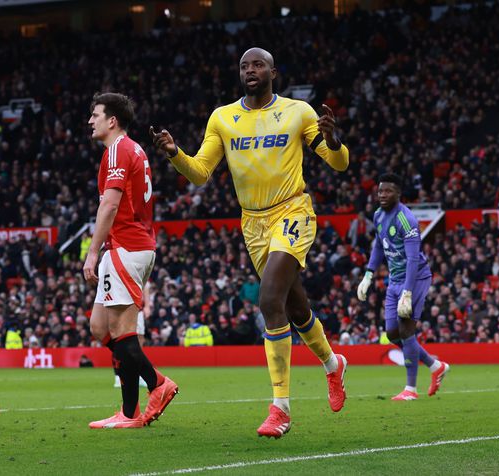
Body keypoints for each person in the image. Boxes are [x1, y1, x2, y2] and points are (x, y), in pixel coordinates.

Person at [151, 47, 348, 438]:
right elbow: (201, 173)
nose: (250, 70)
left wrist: (334, 141)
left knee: (269, 300)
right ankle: (332, 365)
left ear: (274, 71)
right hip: (253, 224)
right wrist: (176, 154)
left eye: (258, 64)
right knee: (295, 306)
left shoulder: (299, 112)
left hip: (292, 212)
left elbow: (338, 163)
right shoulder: (223, 118)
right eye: (244, 66)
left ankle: (281, 408)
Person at [84, 92, 178, 429]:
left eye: (95, 115)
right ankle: (128, 412)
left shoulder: (117, 150)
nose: (90, 121)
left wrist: (92, 251)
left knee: (123, 334)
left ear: (112, 120)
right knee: (100, 328)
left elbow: (109, 205)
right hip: (131, 246)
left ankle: (155, 386)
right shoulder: (133, 149)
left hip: (125, 246)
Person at [357, 173, 450, 400]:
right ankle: (435, 366)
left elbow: (413, 259)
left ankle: (410, 389)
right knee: (391, 333)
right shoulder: (378, 215)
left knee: (407, 330)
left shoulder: (407, 220)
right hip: (395, 279)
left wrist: (407, 293)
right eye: (380, 191)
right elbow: (379, 246)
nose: (382, 195)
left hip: (415, 279)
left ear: (399, 193)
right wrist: (368, 275)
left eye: (387, 191)